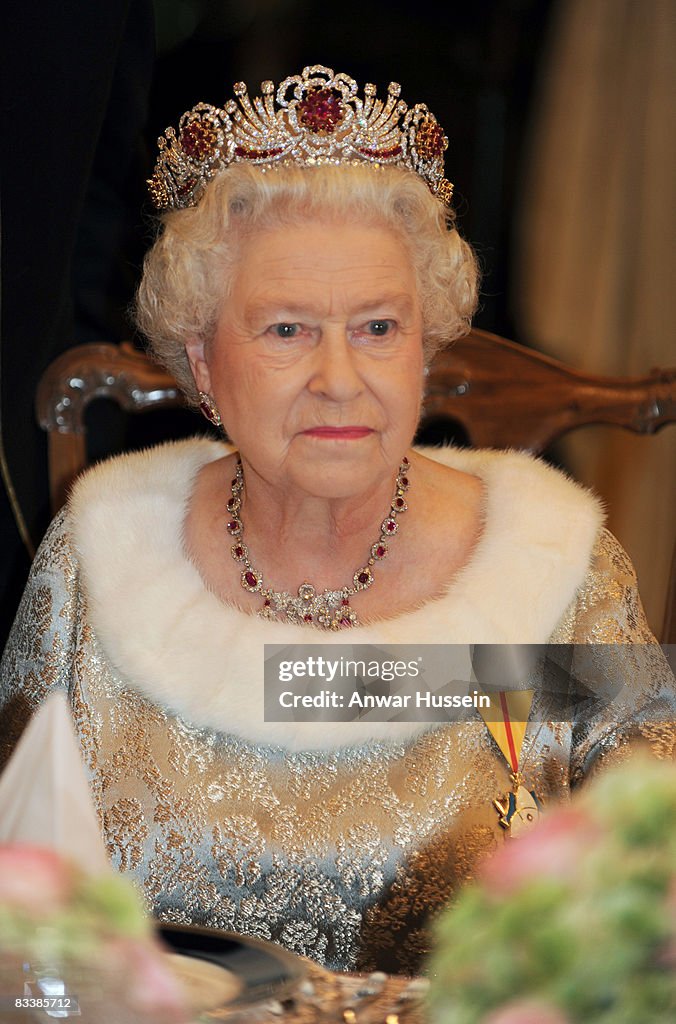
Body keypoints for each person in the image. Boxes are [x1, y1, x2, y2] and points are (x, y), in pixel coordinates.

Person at [1, 65, 673, 975]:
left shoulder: (546, 574)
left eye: (378, 328)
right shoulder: (100, 559)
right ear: (201, 361)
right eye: (285, 330)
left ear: (425, 344)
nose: (339, 379)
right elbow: (18, 899)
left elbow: (651, 899)